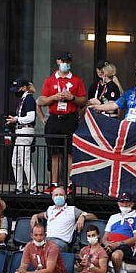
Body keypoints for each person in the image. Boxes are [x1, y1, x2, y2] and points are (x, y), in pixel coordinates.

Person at [37, 52, 87, 194]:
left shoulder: (76, 80)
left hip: (70, 118)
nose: (65, 64)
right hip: (54, 118)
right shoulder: (50, 80)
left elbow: (83, 101)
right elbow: (41, 100)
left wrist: (72, 98)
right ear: (58, 62)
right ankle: (54, 184)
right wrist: (54, 97)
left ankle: (70, 183)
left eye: (68, 61)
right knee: (54, 152)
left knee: (70, 152)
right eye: (63, 61)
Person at [30, 186, 96, 252]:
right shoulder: (50, 209)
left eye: (61, 195)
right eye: (56, 195)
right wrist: (35, 215)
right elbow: (43, 215)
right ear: (52, 197)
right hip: (46, 240)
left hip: (61, 242)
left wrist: (83, 216)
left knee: (48, 250)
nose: (58, 196)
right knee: (29, 249)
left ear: (65, 197)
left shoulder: (72, 209)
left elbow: (93, 217)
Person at [102, 192, 136, 273]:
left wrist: (118, 244)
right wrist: (106, 243)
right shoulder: (113, 217)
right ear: (118, 203)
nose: (124, 204)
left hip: (127, 246)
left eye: (127, 202)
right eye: (122, 202)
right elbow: (104, 237)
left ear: (132, 203)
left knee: (116, 255)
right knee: (96, 255)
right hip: (111, 244)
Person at [6, 78, 38, 195]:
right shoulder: (24, 99)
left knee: (25, 160)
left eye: (18, 88)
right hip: (20, 130)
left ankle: (33, 187)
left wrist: (17, 119)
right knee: (15, 161)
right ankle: (19, 187)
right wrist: (15, 119)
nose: (16, 91)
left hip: (26, 130)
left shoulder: (29, 99)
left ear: (24, 88)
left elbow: (31, 117)